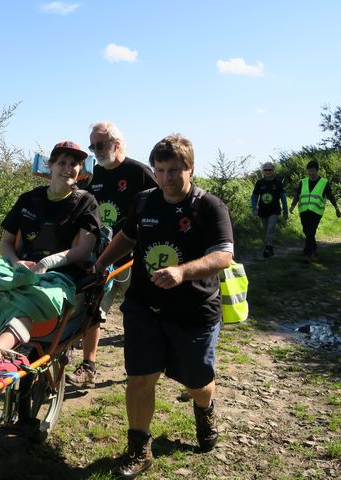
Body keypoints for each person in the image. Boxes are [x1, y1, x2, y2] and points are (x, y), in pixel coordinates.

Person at [93, 134, 233, 478]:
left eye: (174, 170)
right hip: (143, 306)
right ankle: (139, 450)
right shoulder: (143, 202)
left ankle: (205, 408)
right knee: (140, 378)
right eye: (160, 170)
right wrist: (99, 266)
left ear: (191, 168)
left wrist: (182, 272)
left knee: (197, 380)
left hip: (193, 310)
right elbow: (127, 237)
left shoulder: (209, 206)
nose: (167, 178)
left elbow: (223, 256)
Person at [0, 141, 101, 379]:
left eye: (74, 164)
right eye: (62, 162)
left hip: (60, 274)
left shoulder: (86, 202)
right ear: (50, 166)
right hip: (19, 268)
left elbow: (84, 249)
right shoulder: (29, 199)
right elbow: (6, 242)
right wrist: (15, 262)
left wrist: (48, 263)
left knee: (35, 300)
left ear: (80, 170)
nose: (68, 168)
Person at [66, 122, 157, 389]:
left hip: (136, 257)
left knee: (141, 315)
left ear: (117, 144)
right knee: (92, 308)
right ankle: (88, 368)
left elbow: (161, 204)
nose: (95, 151)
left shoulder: (139, 172)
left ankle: (146, 366)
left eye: (100, 145)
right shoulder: (96, 176)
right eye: (92, 146)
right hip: (103, 256)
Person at [289, 160, 341, 262]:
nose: (311, 173)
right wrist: (292, 206)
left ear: (317, 170)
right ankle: (314, 248)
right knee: (306, 231)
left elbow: (331, 196)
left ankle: (307, 254)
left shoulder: (324, 182)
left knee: (311, 231)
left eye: (313, 171)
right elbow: (297, 195)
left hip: (316, 212)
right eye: (309, 171)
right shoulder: (302, 182)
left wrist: (336, 208)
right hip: (304, 210)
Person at [250, 161, 288, 258]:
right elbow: (254, 196)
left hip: (274, 210)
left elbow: (283, 197)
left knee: (270, 229)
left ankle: (268, 249)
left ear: (273, 170)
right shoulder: (259, 183)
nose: (268, 171)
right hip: (262, 210)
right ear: (263, 171)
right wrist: (254, 208)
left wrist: (285, 211)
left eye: (270, 170)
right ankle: (269, 248)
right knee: (266, 230)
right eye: (265, 170)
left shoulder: (277, 182)